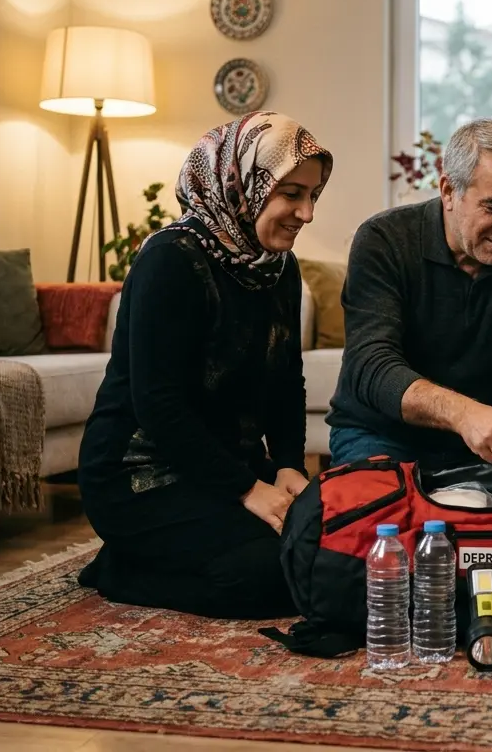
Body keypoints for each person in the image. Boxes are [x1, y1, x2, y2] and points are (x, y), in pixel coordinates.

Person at [76, 112, 332, 619]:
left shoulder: (277, 267)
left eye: (313, 196)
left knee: (333, 545)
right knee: (271, 577)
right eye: (291, 194)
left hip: (223, 464)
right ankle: (117, 569)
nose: (306, 213)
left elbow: (286, 382)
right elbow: (158, 406)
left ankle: (175, 549)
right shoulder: (170, 261)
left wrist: (285, 467)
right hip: (138, 474)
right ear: (242, 183)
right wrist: (247, 491)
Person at [325, 118, 492, 468]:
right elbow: (371, 365)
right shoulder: (383, 239)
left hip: (483, 446)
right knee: (388, 519)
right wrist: (464, 414)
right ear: (449, 191)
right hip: (379, 434)